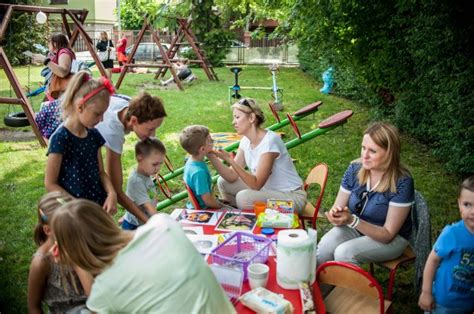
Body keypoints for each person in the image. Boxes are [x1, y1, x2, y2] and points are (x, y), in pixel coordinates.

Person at [50, 199, 236, 313]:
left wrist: (75, 260)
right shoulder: (164, 225)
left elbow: (98, 302)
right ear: (105, 220)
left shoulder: (104, 291)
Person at [317, 122, 414, 267]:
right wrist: (335, 215)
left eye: (372, 151)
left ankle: (349, 289)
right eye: (363, 148)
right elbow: (338, 206)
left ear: (389, 153)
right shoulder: (355, 169)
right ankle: (319, 289)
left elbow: (387, 234)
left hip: (391, 238)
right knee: (324, 247)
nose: (365, 156)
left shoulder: (402, 181)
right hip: (357, 227)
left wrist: (352, 220)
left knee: (344, 253)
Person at [210, 98, 307, 211]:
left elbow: (256, 185)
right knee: (223, 182)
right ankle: (234, 215)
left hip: (292, 199)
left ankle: (243, 218)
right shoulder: (246, 141)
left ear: (251, 118)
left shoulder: (270, 142)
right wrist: (211, 155)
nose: (233, 122)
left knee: (244, 198)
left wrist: (230, 160)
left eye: (237, 117)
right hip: (268, 191)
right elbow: (231, 176)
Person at [44, 71, 117, 214]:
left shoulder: (94, 135)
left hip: (97, 207)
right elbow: (50, 183)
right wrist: (76, 204)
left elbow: (101, 172)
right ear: (80, 107)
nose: (101, 119)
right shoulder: (61, 138)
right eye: (97, 113)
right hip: (75, 213)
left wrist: (111, 193)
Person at [96, 92, 167, 223]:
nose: (153, 135)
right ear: (133, 121)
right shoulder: (113, 131)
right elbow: (116, 190)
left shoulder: (133, 107)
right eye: (150, 129)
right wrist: (147, 220)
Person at [27, 191, 92, 313]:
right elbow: (33, 307)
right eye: (67, 227)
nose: (75, 231)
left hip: (93, 302)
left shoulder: (79, 241)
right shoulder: (42, 261)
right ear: (48, 230)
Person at [418, 176, 474, 314]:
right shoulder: (452, 234)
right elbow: (432, 261)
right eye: (467, 204)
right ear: (459, 204)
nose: (473, 212)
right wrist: (426, 292)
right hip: (443, 302)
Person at [121, 138, 166, 230]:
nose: (158, 168)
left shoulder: (146, 174)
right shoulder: (136, 181)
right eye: (154, 164)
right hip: (134, 227)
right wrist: (161, 224)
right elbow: (148, 207)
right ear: (140, 159)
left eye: (160, 164)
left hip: (145, 222)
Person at [180, 125, 223, 209]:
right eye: (210, 140)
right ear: (202, 149)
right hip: (205, 210)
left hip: (196, 206)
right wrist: (221, 206)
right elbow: (207, 201)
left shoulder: (190, 161)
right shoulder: (199, 173)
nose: (213, 141)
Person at [43, 33, 75, 99]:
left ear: (55, 43)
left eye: (49, 42)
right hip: (62, 90)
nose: (48, 44)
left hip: (62, 90)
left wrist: (45, 60)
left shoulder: (63, 52)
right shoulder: (60, 53)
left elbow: (63, 72)